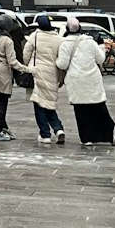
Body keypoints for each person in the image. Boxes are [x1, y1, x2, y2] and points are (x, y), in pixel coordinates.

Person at [57, 27, 115, 146]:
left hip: (76, 79)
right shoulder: (91, 42)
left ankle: (86, 138)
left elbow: (62, 64)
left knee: (81, 109)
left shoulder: (64, 44)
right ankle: (110, 130)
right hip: (92, 78)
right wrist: (102, 47)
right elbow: (101, 59)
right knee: (97, 105)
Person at [22, 15, 66, 145]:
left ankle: (45, 134)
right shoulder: (58, 39)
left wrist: (27, 67)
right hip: (52, 74)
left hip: (37, 73)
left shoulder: (34, 36)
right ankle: (58, 129)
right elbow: (61, 60)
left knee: (39, 105)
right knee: (49, 104)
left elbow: (26, 54)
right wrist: (61, 77)